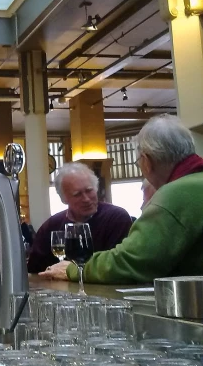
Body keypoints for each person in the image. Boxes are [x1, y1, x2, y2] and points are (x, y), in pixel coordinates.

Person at [40, 115, 203, 284]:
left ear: (147, 162)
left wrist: (74, 269)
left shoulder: (175, 195)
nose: (86, 198)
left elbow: (133, 261)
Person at [28, 162, 132, 275]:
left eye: (89, 190)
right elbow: (35, 270)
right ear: (63, 199)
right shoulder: (51, 226)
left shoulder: (116, 218)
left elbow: (117, 265)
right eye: (77, 194)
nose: (86, 199)